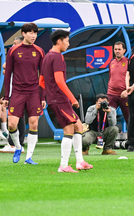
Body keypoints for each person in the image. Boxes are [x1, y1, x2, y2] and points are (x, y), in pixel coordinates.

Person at [40, 29, 93, 172]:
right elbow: (59, 81)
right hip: (60, 99)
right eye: (67, 41)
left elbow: (42, 81)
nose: (68, 44)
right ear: (59, 41)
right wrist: (72, 98)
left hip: (55, 99)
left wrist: (47, 95)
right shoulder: (57, 57)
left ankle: (80, 161)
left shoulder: (46, 57)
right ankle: (63, 166)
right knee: (69, 129)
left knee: (78, 126)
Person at [3, 23, 46, 165]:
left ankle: (28, 157)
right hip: (17, 92)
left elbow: (43, 75)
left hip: (34, 92)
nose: (33, 36)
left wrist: (43, 96)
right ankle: (18, 147)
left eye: (35, 33)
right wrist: (6, 96)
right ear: (23, 34)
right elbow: (7, 74)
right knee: (11, 125)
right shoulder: (13, 51)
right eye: (31, 33)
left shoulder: (39, 51)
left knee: (33, 124)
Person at [0, 36, 26, 153]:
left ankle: (14, 145)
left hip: (18, 92)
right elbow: (6, 70)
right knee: (19, 119)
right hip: (14, 92)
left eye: (15, 44)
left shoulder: (20, 56)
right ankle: (17, 144)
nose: (12, 46)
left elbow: (5, 66)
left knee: (16, 119)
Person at [107, 41, 129, 124]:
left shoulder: (128, 62)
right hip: (112, 94)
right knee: (109, 117)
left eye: (119, 49)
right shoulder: (111, 62)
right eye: (115, 49)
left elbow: (131, 78)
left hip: (124, 95)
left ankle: (131, 136)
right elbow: (110, 77)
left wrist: (127, 91)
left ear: (124, 50)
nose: (117, 51)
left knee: (129, 118)